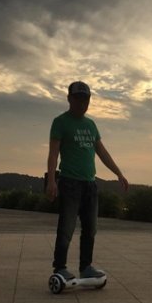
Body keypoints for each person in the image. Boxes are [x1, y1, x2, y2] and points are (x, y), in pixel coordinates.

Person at [46, 81, 128, 280]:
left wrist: (118, 173)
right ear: (69, 99)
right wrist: (51, 180)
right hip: (69, 183)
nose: (82, 103)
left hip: (90, 184)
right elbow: (53, 153)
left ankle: (86, 267)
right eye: (78, 99)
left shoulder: (91, 125)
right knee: (66, 228)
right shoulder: (60, 122)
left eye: (86, 99)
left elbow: (102, 152)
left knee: (91, 229)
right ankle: (60, 268)